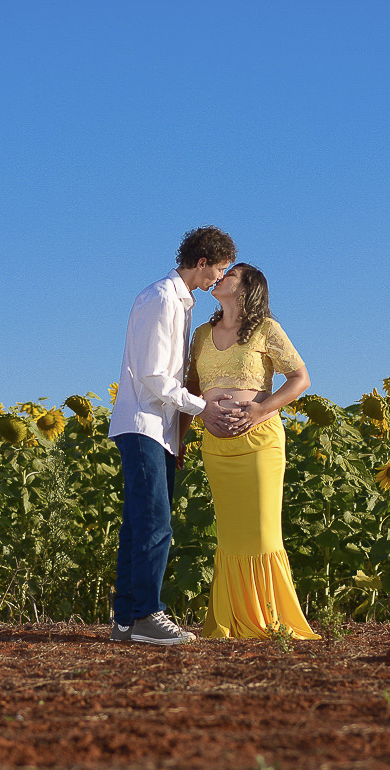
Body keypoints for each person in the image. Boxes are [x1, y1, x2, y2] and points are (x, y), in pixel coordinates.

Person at [107, 226, 249, 646]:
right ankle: (147, 615)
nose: (220, 277)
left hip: (159, 429)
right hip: (143, 424)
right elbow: (153, 376)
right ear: (202, 262)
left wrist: (178, 435)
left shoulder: (180, 302)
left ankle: (126, 621)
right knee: (156, 524)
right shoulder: (161, 299)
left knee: (138, 525)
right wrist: (202, 407)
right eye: (220, 268)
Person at [185, 263, 319, 639]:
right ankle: (231, 621)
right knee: (229, 537)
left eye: (230, 274)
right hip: (216, 448)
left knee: (262, 534)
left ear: (246, 288)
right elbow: (191, 388)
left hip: (260, 443)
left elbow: (300, 378)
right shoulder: (200, 334)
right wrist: (192, 426)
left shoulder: (266, 329)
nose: (220, 277)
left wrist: (261, 409)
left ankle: (271, 620)